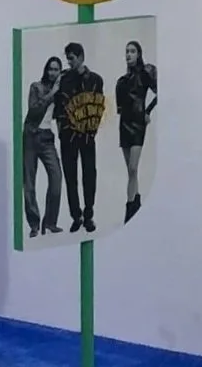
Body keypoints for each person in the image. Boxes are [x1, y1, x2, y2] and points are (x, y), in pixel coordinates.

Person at [54, 39, 106, 234]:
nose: (70, 63)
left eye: (73, 59)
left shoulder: (95, 79)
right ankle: (76, 216)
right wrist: (60, 128)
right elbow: (59, 105)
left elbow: (99, 105)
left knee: (89, 174)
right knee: (70, 176)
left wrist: (93, 129)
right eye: (68, 59)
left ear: (81, 57)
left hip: (87, 134)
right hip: (67, 135)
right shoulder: (64, 78)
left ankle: (89, 214)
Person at [21, 55, 64, 237]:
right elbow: (34, 110)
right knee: (29, 181)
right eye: (51, 69)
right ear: (46, 70)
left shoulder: (60, 92)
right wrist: (52, 93)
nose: (53, 73)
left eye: (57, 70)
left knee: (56, 178)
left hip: (47, 138)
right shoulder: (36, 87)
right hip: (31, 136)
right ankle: (34, 224)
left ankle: (50, 222)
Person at [116, 39, 158, 223]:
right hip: (124, 123)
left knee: (133, 167)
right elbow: (119, 107)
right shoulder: (122, 81)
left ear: (139, 53)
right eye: (126, 51)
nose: (128, 54)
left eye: (132, 51)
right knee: (130, 171)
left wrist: (148, 111)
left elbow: (160, 91)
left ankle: (131, 205)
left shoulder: (147, 71)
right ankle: (134, 203)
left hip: (138, 124)